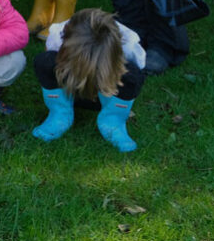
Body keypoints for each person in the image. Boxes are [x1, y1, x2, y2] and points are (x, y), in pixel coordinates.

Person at [33, 8, 146, 152]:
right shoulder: (58, 34)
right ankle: (60, 113)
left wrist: (106, 75)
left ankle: (112, 120)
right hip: (72, 88)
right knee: (45, 61)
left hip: (105, 93)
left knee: (133, 75)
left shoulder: (129, 44)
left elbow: (138, 75)